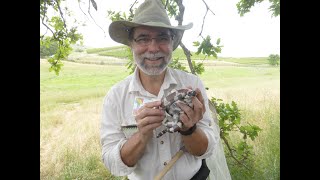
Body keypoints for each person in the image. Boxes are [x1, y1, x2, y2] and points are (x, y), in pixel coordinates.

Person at [100, 0, 230, 179]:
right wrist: (142, 135)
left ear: (172, 42)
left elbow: (206, 151)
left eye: (162, 38)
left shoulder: (192, 84)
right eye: (143, 38)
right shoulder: (115, 97)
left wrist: (188, 130)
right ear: (132, 44)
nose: (153, 48)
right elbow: (112, 164)